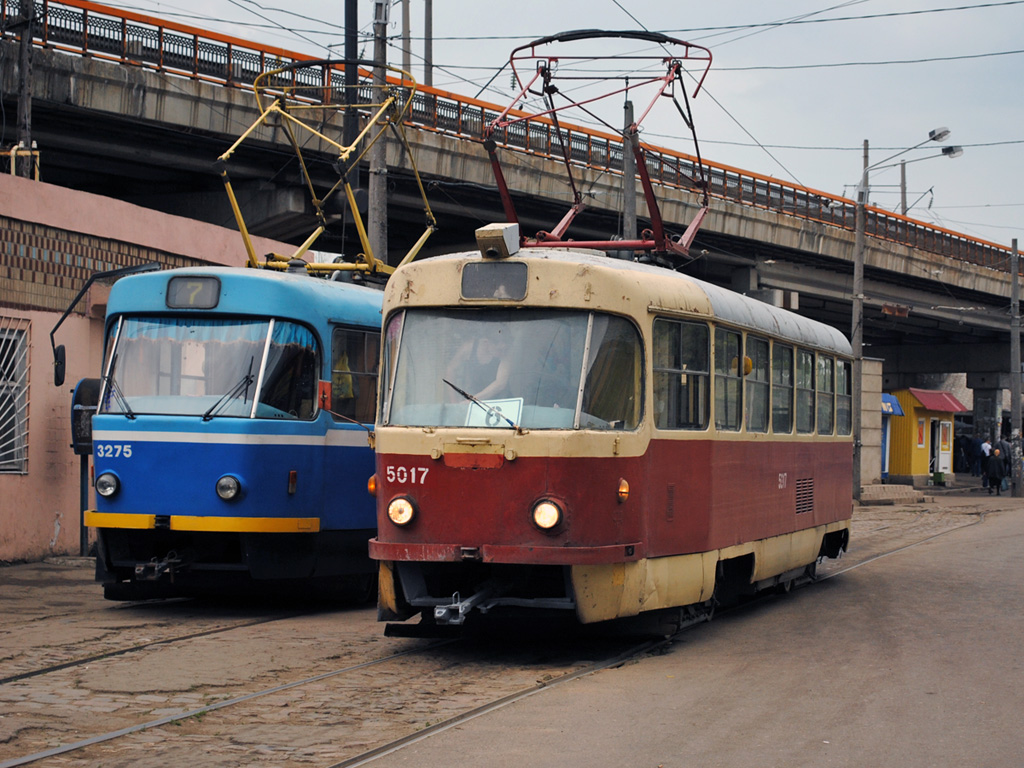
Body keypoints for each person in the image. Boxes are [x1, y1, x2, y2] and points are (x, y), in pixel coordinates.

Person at [446, 330, 512, 400]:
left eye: (504, 349)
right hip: (474, 395)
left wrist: (471, 400)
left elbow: (500, 384)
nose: (502, 353)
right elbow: (451, 369)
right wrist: (453, 401)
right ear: (486, 342)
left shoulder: (507, 352)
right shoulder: (469, 348)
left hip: (501, 400)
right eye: (499, 350)